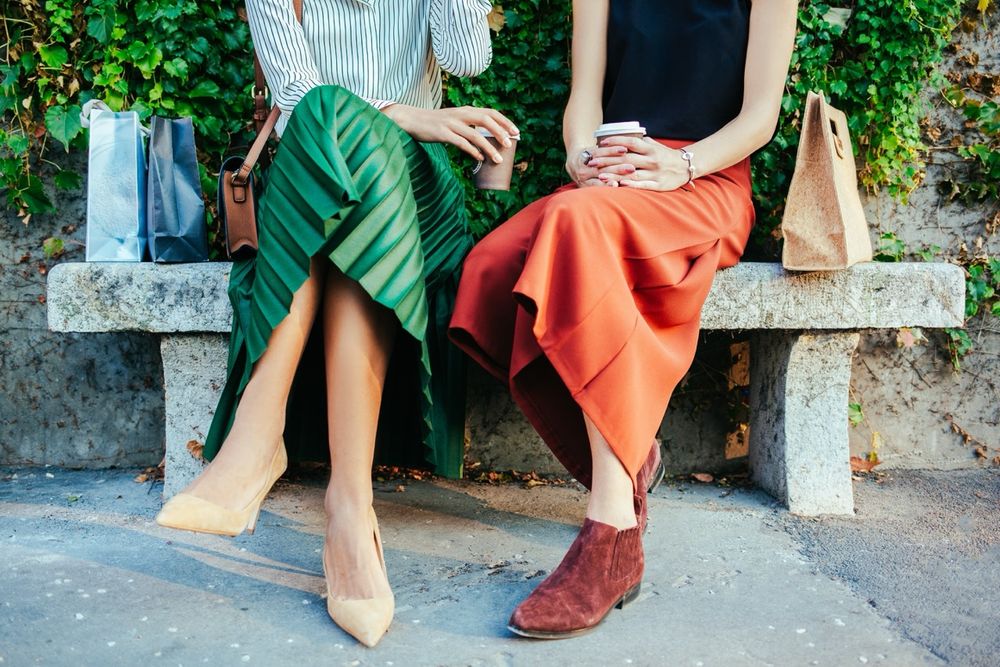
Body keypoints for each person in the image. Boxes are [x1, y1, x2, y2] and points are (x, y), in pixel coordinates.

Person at [154, 0, 517, 648]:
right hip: (315, 181)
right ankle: (350, 513)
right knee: (327, 120)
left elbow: (468, 58)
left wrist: (399, 120)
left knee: (351, 139)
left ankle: (258, 440)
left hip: (415, 191)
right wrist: (394, 111)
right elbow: (297, 106)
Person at [450, 0, 798, 638]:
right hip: (612, 178)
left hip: (704, 183)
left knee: (572, 226)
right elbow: (584, 98)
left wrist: (679, 165)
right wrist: (582, 156)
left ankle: (613, 530)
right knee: (492, 267)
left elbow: (760, 117)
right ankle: (633, 454)